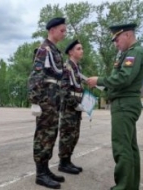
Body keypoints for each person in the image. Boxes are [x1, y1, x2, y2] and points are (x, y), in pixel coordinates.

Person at [86, 23, 143, 190]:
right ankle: (130, 185)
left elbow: (123, 78)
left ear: (127, 35)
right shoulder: (129, 53)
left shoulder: (134, 53)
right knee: (129, 147)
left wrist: (99, 80)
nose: (115, 43)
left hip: (124, 105)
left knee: (122, 148)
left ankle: (123, 186)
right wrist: (101, 85)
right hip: (125, 103)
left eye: (117, 39)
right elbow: (120, 80)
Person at [27, 17, 67, 189]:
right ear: (52, 31)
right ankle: (40, 174)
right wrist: (35, 101)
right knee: (43, 135)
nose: (64, 33)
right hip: (45, 100)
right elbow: (35, 76)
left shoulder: (54, 50)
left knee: (51, 134)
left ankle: (45, 169)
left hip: (53, 99)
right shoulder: (44, 50)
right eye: (62, 30)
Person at [58, 39, 84, 175]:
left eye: (81, 48)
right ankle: (63, 163)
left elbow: (79, 89)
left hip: (77, 108)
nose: (82, 51)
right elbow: (64, 90)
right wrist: (75, 104)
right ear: (71, 52)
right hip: (69, 108)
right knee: (67, 135)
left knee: (74, 135)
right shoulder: (66, 67)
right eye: (78, 49)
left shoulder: (77, 68)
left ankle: (68, 161)